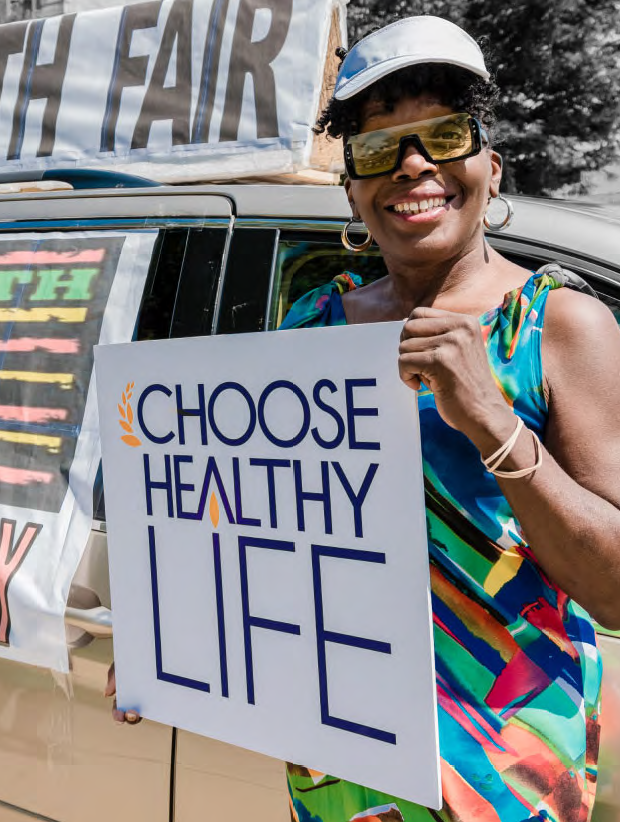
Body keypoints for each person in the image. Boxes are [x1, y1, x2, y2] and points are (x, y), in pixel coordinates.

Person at [280, 14, 620, 822]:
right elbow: (276, 539)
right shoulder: (310, 327)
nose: (411, 166)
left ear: (491, 167)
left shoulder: (559, 326)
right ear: (352, 187)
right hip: (340, 753)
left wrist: (496, 427)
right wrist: (180, 645)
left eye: (443, 134)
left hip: (507, 772)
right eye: (376, 149)